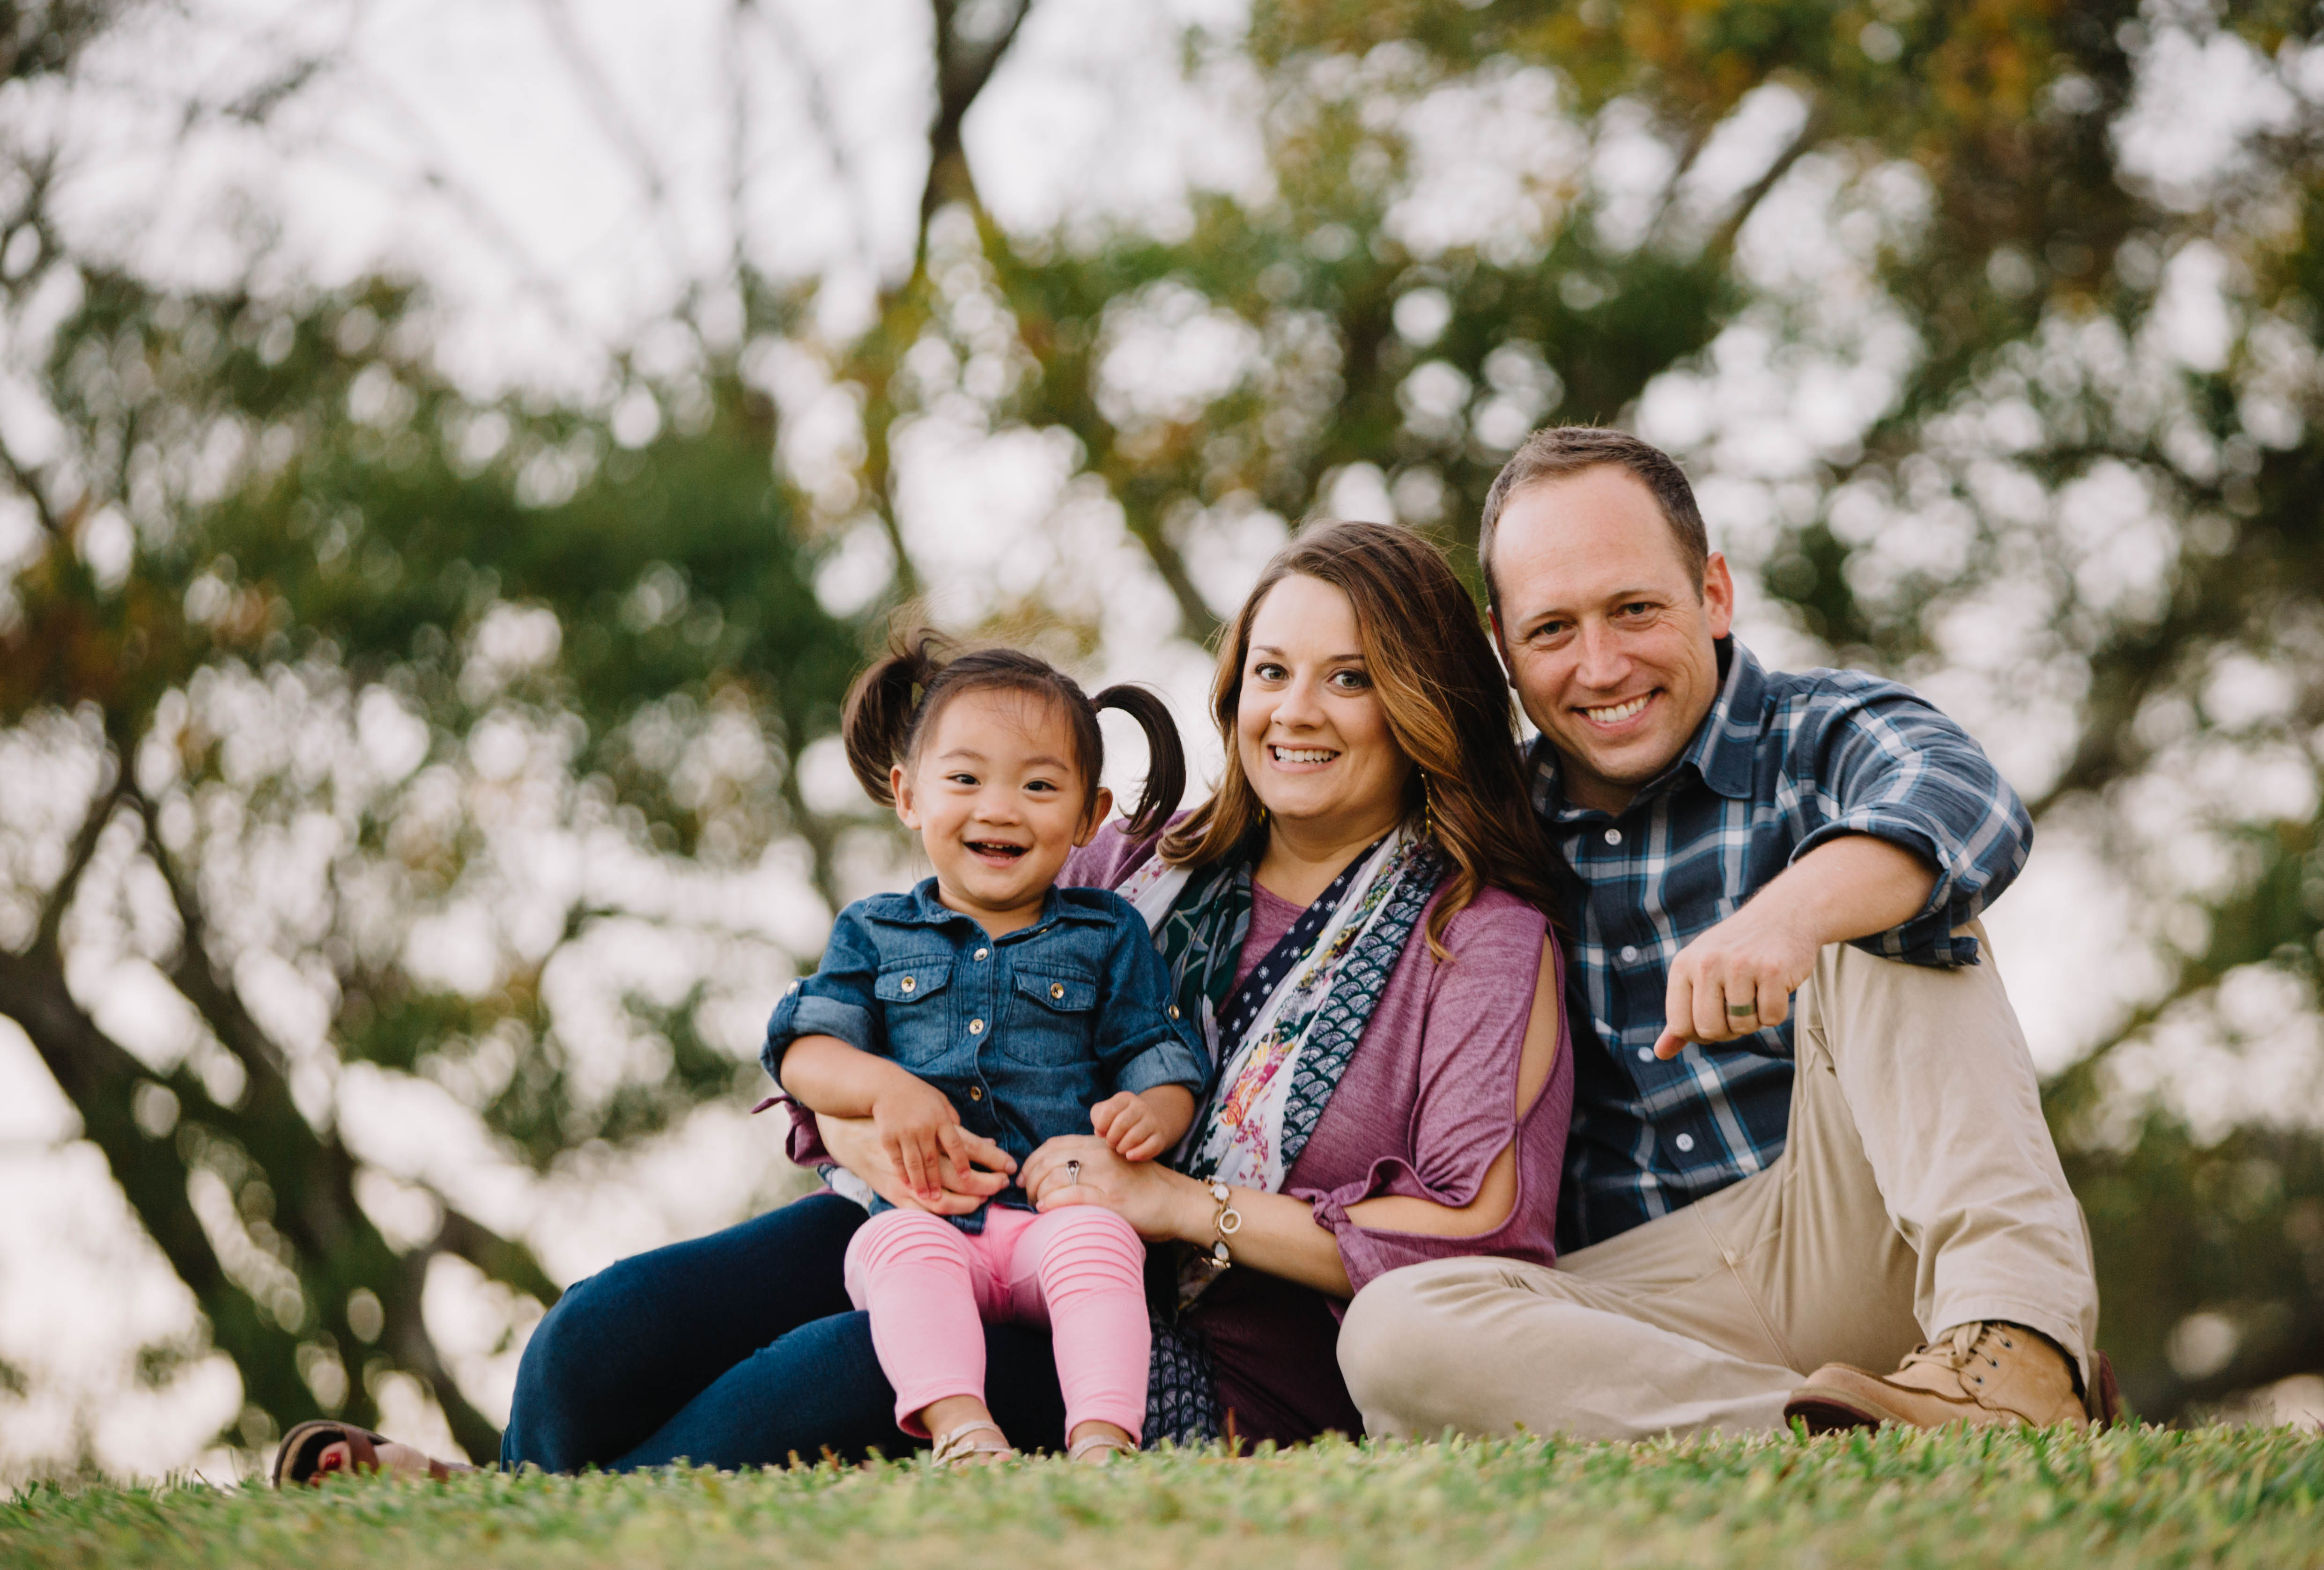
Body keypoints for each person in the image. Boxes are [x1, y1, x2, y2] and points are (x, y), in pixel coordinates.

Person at [473, 519, 1568, 1470]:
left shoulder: (1476, 940)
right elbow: (893, 1016)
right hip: (938, 1222)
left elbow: (1477, 1230)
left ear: (1425, 702)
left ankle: (520, 1538)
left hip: (1191, 1354)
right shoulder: (1125, 868)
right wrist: (882, 1134)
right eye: (1272, 670)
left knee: (821, 1383)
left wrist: (1177, 1204)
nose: (1296, 710)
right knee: (596, 1337)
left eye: (1351, 676)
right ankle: (495, 1483)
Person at [1336, 428, 2113, 1441]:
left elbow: (1967, 801)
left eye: (1635, 609)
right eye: (1552, 631)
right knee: (1393, 1328)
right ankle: (1851, 1436)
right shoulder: (1482, 828)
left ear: (1713, 592)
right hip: (1647, 1306)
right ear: (1503, 644)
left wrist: (1793, 913)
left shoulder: (1816, 729)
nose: (1601, 664)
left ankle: (2015, 1351)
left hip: (1863, 1231)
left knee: (1880, 881)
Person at [775, 634, 1206, 1464]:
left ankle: (1103, 1438)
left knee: (1102, 1247)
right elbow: (804, 1052)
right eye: (965, 779)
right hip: (929, 1213)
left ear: (1088, 816)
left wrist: (1151, 1114)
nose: (1000, 808)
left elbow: (1159, 1051)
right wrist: (887, 1091)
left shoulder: (1104, 932)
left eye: (1039, 786)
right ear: (907, 795)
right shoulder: (874, 930)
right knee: (893, 1250)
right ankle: (962, 1430)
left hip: (1055, 1213)